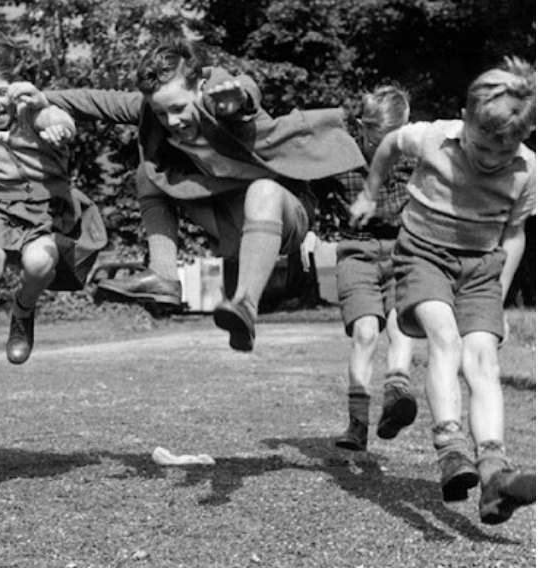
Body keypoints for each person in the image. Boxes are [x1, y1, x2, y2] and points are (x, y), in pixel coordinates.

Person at [21, 38, 365, 351]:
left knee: (262, 191)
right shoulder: (156, 111)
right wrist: (43, 97)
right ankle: (164, 275)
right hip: (234, 223)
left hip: (287, 213)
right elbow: (99, 101)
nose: (172, 120)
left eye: (179, 108)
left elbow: (246, 89)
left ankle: (245, 304)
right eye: (161, 112)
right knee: (148, 173)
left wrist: (236, 97)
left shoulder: (220, 96)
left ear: (199, 88)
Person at [350, 57, 535, 524]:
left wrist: (499, 294)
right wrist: (371, 191)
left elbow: (514, 235)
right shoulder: (435, 137)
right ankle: (451, 447)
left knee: (484, 360)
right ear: (465, 118)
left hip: (480, 271)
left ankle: (494, 472)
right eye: (483, 144)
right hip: (423, 256)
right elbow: (391, 142)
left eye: (506, 147)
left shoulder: (528, 171)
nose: (493, 158)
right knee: (445, 339)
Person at [0, 28, 105, 387]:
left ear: (16, 87)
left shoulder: (33, 111)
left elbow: (57, 121)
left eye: (1, 92)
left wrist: (57, 126)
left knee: (39, 262)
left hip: (47, 210)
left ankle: (23, 309)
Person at [323, 85, 418, 451]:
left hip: (403, 251)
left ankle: (396, 397)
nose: (392, 147)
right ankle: (357, 424)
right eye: (383, 139)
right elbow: (309, 187)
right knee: (365, 333)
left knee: (400, 323)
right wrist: (308, 233)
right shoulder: (342, 157)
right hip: (356, 251)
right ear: (364, 129)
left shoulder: (416, 157)